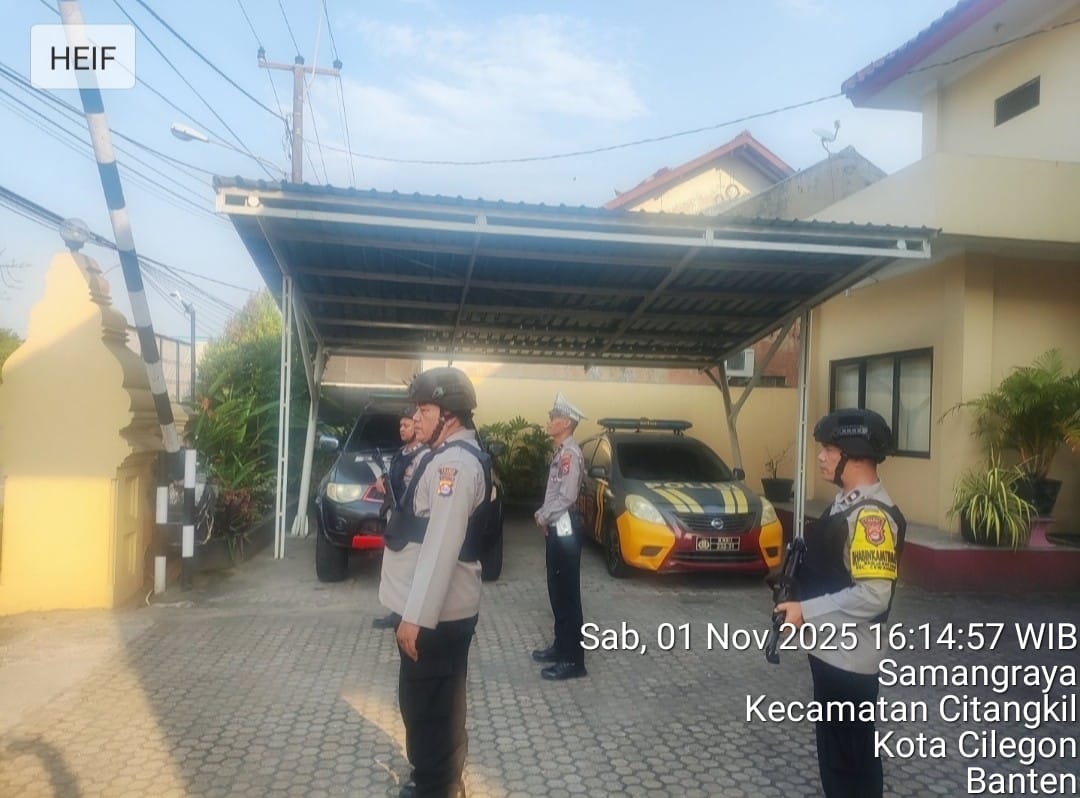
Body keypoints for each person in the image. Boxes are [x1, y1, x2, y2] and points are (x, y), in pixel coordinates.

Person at [775, 408, 906, 798]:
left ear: (855, 455)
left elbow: (874, 595)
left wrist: (805, 611)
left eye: (829, 449)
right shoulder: (844, 505)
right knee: (837, 759)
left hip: (849, 662)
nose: (821, 457)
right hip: (832, 653)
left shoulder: (870, 518)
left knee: (851, 762)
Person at [379, 367, 491, 798]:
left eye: (425, 410)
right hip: (431, 611)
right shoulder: (444, 455)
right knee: (434, 698)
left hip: (436, 616)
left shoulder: (454, 466)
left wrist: (415, 617)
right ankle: (441, 779)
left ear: (450, 415)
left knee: (429, 704)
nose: (417, 418)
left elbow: (442, 546)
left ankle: (435, 786)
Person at [531, 392, 588, 681]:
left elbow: (566, 496)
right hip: (558, 527)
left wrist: (543, 515)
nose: (549, 420)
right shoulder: (561, 452)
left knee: (567, 595)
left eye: (554, 417)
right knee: (557, 591)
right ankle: (560, 646)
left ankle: (573, 660)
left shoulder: (569, 455)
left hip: (566, 530)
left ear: (566, 423)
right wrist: (545, 515)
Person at [374, 404, 427, 630]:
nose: (402, 429)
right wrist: (382, 481)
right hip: (395, 519)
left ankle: (410, 617)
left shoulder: (425, 455)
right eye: (400, 425)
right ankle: (397, 613)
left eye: (406, 425)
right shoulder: (401, 452)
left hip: (412, 523)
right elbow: (393, 477)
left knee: (409, 572)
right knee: (393, 570)